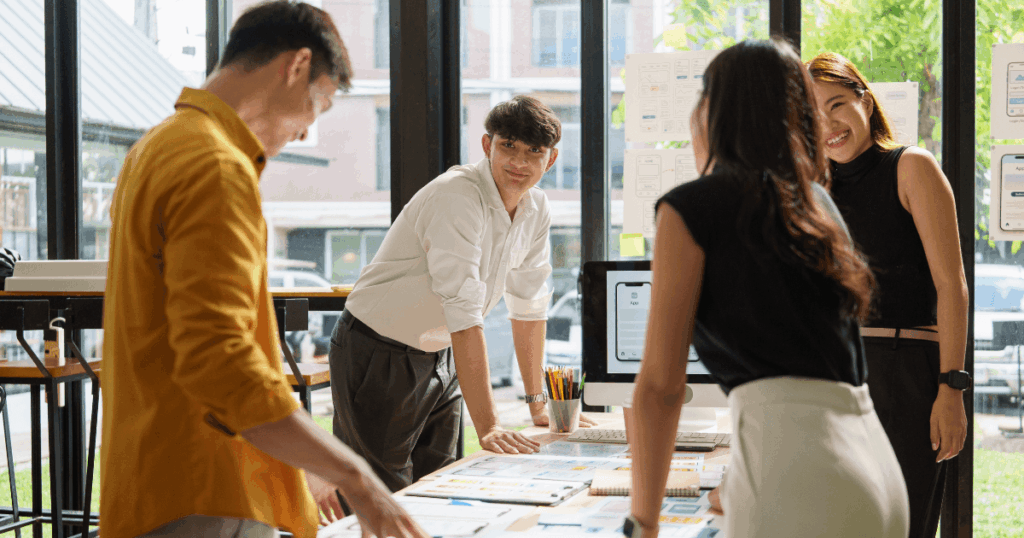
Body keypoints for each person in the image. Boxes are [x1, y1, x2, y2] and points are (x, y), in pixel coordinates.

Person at [99, 2, 429, 537]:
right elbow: (219, 359)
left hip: (154, 477)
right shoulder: (215, 166)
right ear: (296, 66)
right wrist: (358, 478)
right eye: (316, 107)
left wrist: (303, 460)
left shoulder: (155, 148)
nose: (303, 134)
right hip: (210, 485)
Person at [625, 40, 909, 538]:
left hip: (800, 481)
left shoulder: (690, 208)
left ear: (713, 112)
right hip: (875, 473)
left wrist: (642, 523)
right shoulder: (817, 206)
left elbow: (660, 388)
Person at [329, 95, 596, 495]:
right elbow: (465, 311)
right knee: (380, 494)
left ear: (551, 159)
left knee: (443, 486)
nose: (519, 164)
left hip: (443, 355)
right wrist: (489, 426)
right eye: (508, 147)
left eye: (533, 152)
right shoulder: (457, 196)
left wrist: (538, 403)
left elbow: (528, 305)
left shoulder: (536, 208)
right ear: (488, 145)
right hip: (378, 351)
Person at [808, 52, 970, 538]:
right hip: (833, 376)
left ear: (864, 98)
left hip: (905, 373)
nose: (828, 124)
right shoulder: (814, 191)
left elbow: (952, 286)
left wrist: (952, 387)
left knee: (903, 525)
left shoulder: (911, 167)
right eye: (811, 115)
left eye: (837, 104)